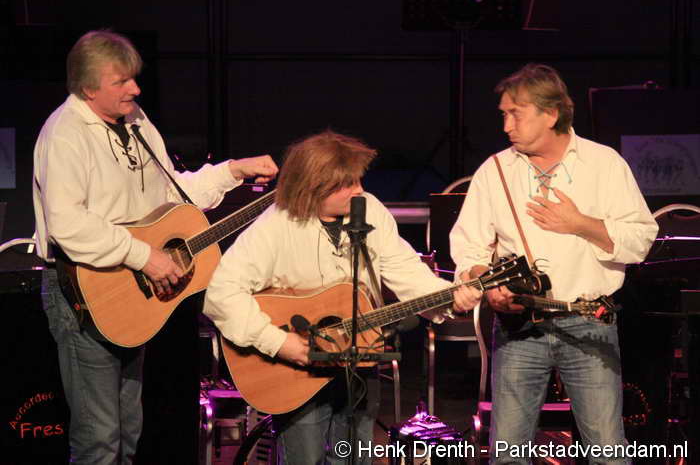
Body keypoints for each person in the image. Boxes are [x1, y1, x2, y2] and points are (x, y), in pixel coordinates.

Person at [32, 30, 278, 465]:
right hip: (84, 291)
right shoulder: (65, 134)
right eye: (121, 82)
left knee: (128, 432)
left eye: (134, 78)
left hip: (130, 292)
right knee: (99, 441)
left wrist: (232, 171)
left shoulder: (136, 121)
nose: (135, 89)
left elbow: (172, 195)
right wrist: (146, 256)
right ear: (88, 88)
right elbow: (68, 224)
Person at [204, 129, 481, 464]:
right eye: (347, 184)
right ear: (315, 187)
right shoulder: (276, 225)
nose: (359, 189)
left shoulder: (370, 211)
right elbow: (222, 292)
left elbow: (406, 271)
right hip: (295, 371)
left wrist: (449, 297)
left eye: (358, 180)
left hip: (358, 362)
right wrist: (278, 342)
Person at [449, 64, 658, 464]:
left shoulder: (603, 164)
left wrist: (580, 223)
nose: (506, 125)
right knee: (508, 453)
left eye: (516, 114)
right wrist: (487, 285)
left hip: (589, 321)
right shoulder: (495, 170)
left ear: (551, 113)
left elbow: (640, 241)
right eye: (503, 115)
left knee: (607, 452)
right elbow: (470, 248)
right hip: (519, 327)